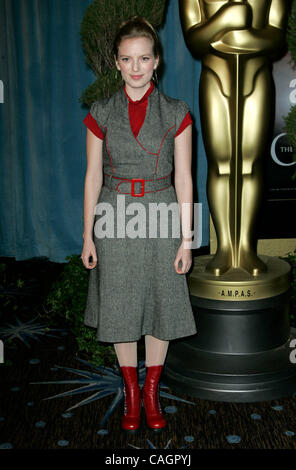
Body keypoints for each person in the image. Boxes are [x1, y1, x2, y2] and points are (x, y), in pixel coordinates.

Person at [81, 16, 197, 432]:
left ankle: (151, 392)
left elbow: (184, 177)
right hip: (114, 215)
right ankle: (131, 392)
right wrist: (87, 235)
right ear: (116, 62)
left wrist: (187, 239)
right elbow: (92, 176)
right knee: (121, 304)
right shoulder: (101, 112)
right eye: (127, 59)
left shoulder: (177, 112)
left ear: (156, 61)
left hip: (163, 211)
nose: (136, 67)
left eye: (143, 58)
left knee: (162, 302)